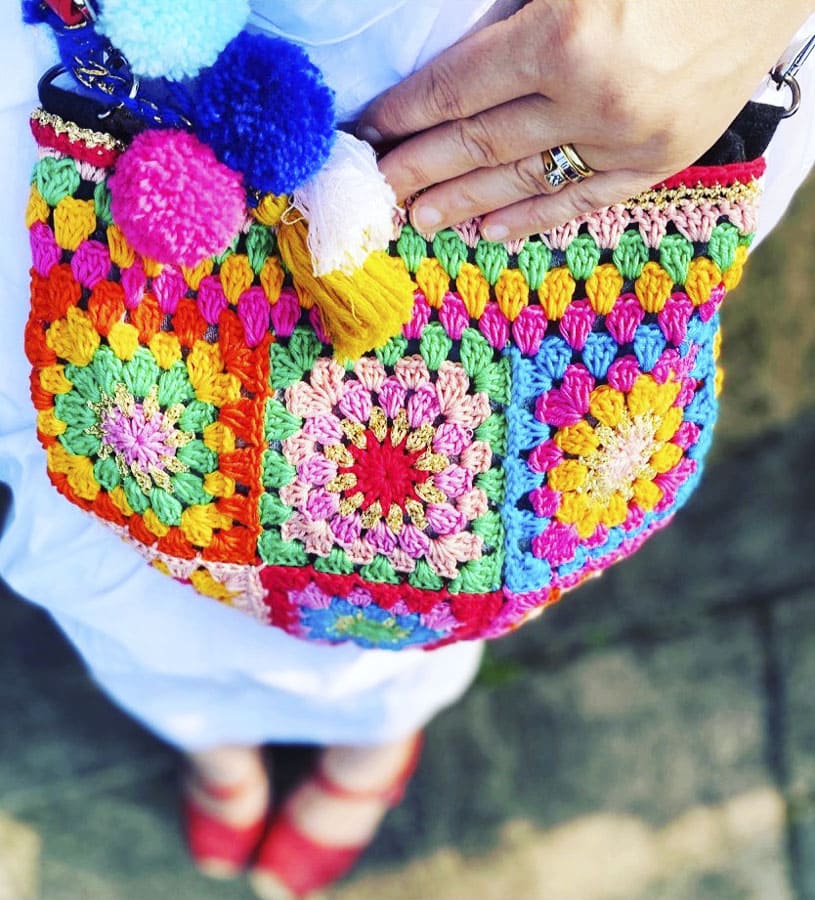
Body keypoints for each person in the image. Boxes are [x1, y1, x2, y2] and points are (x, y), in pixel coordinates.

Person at [1, 2, 814, 898]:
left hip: (595, 64)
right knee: (110, 507)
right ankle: (204, 729)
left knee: (470, 533)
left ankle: (372, 731)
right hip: (137, 57)